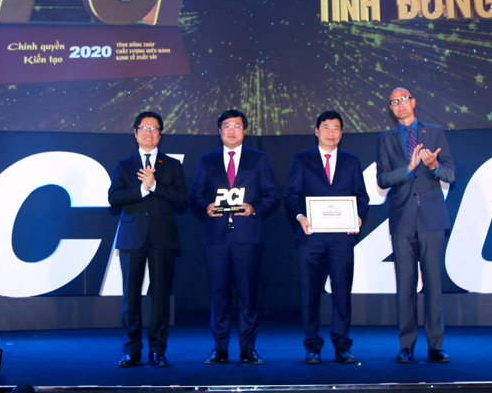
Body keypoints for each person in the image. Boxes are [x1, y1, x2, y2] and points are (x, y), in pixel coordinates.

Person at [189, 109, 280, 365]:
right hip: (217, 237)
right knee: (219, 294)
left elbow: (272, 193)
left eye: (237, 126)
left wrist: (253, 207)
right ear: (219, 131)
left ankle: (248, 349)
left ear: (244, 130)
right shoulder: (208, 160)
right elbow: (195, 194)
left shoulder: (258, 159)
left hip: (247, 237)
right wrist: (205, 206)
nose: (232, 130)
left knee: (248, 295)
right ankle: (219, 349)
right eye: (227, 126)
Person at [375, 87, 456, 363]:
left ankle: (436, 346)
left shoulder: (434, 132)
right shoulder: (385, 139)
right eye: (393, 102)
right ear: (391, 108)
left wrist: (433, 166)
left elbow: (450, 173)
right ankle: (406, 345)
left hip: (432, 218)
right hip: (402, 219)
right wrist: (408, 169)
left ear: (413, 102)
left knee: (433, 284)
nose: (399, 104)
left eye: (403, 100)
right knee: (406, 285)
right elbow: (383, 179)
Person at [285, 111, 369, 364]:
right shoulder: (302, 159)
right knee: (310, 294)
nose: (331, 133)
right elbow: (292, 195)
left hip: (342, 239)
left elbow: (361, 196)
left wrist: (359, 216)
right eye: (326, 127)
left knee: (342, 294)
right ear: (317, 131)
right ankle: (312, 345)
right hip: (311, 238)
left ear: (341, 134)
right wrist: (300, 216)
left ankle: (342, 345)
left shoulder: (351, 161)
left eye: (336, 128)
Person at [108, 111, 187, 368]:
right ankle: (131, 350)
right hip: (132, 238)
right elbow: (114, 197)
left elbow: (181, 198)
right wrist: (142, 189)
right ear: (135, 133)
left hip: (163, 238)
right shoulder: (124, 164)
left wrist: (154, 186)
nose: (149, 133)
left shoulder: (172, 165)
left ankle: (157, 350)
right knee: (130, 297)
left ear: (160, 134)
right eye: (144, 128)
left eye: (154, 129)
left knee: (161, 297)